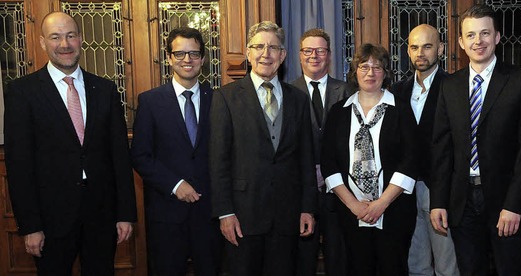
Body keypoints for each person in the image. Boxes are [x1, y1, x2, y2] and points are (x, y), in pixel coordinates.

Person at [3, 11, 136, 275]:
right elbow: (19, 165)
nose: (64, 44)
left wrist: (125, 213)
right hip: (50, 219)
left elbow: (119, 156)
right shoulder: (22, 92)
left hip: (101, 215)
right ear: (43, 43)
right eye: (55, 37)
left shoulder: (105, 90)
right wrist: (30, 226)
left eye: (70, 36)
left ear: (80, 39)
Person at [429, 4, 521, 275]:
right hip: (461, 202)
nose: (478, 41)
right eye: (470, 35)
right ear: (460, 42)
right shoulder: (449, 85)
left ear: (498, 37)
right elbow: (442, 149)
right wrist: (438, 201)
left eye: (485, 33)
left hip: (505, 202)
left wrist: (514, 205)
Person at [209, 21, 316, 276]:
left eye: (273, 47)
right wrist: (225, 213)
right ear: (248, 53)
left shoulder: (298, 99)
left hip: (287, 216)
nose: (265, 53)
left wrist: (308, 208)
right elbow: (218, 161)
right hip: (243, 217)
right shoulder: (225, 97)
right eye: (258, 46)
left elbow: (306, 159)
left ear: (282, 55)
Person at [131, 27, 222, 276]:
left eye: (194, 53)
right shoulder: (150, 101)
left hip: (209, 213)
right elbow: (140, 155)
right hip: (166, 213)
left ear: (203, 59)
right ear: (169, 58)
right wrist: (175, 184)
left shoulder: (219, 100)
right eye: (180, 53)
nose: (187, 60)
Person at [321, 43, 418, 276]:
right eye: (364, 67)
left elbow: (411, 160)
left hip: (394, 211)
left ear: (385, 73)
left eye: (377, 67)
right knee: (356, 267)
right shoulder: (338, 112)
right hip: (350, 213)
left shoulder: (402, 110)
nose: (370, 73)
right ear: (355, 72)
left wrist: (381, 204)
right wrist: (354, 205)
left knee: (392, 267)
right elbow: (329, 162)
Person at [390, 24, 459, 276]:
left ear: (440, 49)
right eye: (414, 47)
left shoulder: (455, 87)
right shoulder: (397, 91)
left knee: (447, 266)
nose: (420, 52)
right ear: (408, 51)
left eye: (427, 46)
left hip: (440, 189)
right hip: (404, 191)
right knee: (415, 265)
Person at [291, 28, 350, 276]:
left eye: (320, 51)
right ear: (299, 55)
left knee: (340, 259)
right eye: (308, 50)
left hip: (339, 193)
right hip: (300, 194)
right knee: (302, 262)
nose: (314, 56)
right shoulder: (287, 92)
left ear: (329, 55)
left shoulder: (347, 91)